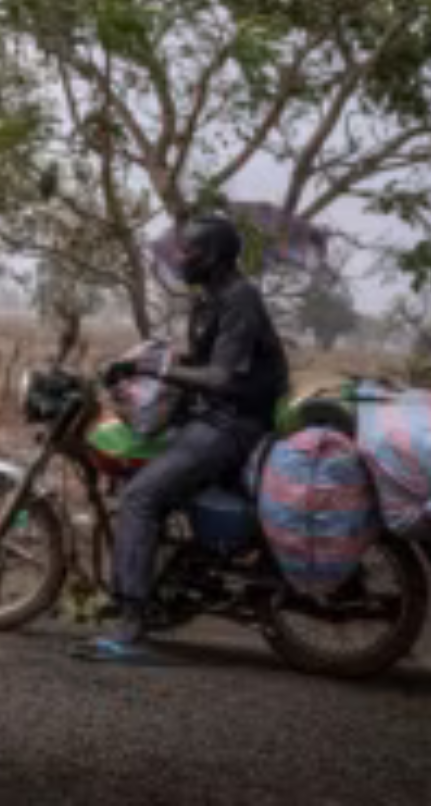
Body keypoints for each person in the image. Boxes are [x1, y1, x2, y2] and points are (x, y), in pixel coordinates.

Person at [82, 214, 289, 659]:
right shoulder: (210, 299)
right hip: (210, 416)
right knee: (145, 468)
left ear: (213, 256)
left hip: (232, 424)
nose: (179, 258)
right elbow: (197, 359)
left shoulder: (240, 299)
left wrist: (150, 369)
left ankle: (132, 622)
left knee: (140, 497)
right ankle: (158, 582)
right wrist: (142, 360)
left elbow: (217, 376)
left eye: (189, 251)